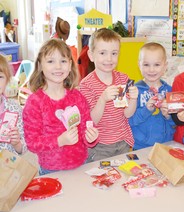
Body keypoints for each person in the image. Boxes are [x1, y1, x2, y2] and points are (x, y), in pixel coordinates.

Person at [23, 38, 99, 175]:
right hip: (51, 170)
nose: (58, 67)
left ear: (70, 65)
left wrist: (91, 137)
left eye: (63, 61)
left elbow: (86, 128)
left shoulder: (77, 97)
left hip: (81, 164)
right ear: (40, 65)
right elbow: (32, 143)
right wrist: (59, 140)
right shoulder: (35, 102)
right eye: (51, 61)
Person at [79, 28, 138, 162]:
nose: (109, 58)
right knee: (102, 179)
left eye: (114, 53)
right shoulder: (86, 85)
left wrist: (133, 98)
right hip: (99, 146)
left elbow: (127, 114)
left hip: (122, 142)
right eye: (102, 53)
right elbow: (92, 120)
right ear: (91, 55)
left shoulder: (123, 79)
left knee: (123, 176)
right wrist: (103, 99)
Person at [129, 42, 175, 150]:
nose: (151, 70)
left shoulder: (170, 91)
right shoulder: (134, 91)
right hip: (140, 147)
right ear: (139, 65)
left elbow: (175, 123)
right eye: (146, 65)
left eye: (157, 65)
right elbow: (130, 121)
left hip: (166, 145)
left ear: (165, 66)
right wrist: (146, 110)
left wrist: (168, 115)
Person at [0, 54, 26, 155]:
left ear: (7, 80)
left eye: (0, 77)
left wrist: (17, 144)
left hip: (10, 167)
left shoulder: (14, 108)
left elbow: (23, 149)